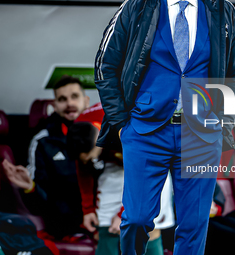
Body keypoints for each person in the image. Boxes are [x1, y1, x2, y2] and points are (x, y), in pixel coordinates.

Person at [94, 0, 235, 254]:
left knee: (194, 226)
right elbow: (104, 65)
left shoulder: (222, 8)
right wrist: (121, 123)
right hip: (145, 132)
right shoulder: (136, 5)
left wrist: (223, 121)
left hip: (202, 134)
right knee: (137, 219)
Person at [67, 103, 175, 255]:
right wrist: (88, 210)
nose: (89, 161)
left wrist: (124, 215)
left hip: (152, 163)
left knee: (147, 228)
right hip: (115, 160)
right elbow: (83, 168)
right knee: (106, 225)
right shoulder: (81, 128)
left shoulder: (129, 128)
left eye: (90, 157)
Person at [3, 75, 90, 240]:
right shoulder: (42, 140)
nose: (69, 103)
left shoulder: (103, 135)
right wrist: (30, 187)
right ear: (55, 105)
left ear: (86, 101)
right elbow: (39, 201)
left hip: (105, 221)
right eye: (62, 99)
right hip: (65, 226)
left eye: (74, 97)